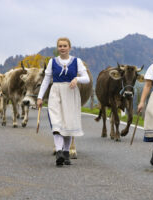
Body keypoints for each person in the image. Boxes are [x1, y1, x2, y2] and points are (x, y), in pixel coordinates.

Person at [37, 37, 90, 167]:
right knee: (56, 122)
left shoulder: (77, 61)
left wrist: (77, 79)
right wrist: (40, 97)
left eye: (65, 46)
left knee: (68, 124)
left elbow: (86, 78)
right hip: (55, 92)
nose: (62, 48)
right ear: (57, 48)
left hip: (71, 93)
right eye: (60, 46)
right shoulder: (52, 62)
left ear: (69, 47)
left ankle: (66, 153)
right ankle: (59, 151)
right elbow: (46, 80)